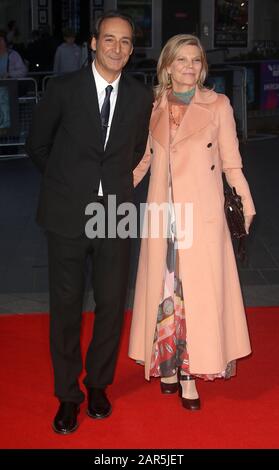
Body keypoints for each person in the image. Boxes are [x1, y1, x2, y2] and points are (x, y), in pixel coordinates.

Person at [26, 10, 153, 434]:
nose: (118, 48)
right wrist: (70, 186)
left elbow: (136, 151)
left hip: (114, 213)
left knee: (112, 305)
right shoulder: (63, 89)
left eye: (126, 42)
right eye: (110, 40)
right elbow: (37, 145)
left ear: (132, 50)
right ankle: (68, 395)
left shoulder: (140, 96)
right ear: (94, 43)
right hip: (66, 214)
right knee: (65, 309)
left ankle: (98, 384)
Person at [129, 34, 256, 410]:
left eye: (195, 60)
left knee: (194, 295)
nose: (189, 66)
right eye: (181, 60)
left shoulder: (217, 105)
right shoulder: (154, 106)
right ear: (166, 66)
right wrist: (104, 191)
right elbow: (143, 162)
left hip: (201, 214)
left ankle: (189, 373)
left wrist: (246, 202)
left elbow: (232, 161)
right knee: (166, 293)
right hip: (163, 217)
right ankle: (166, 365)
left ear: (202, 66)